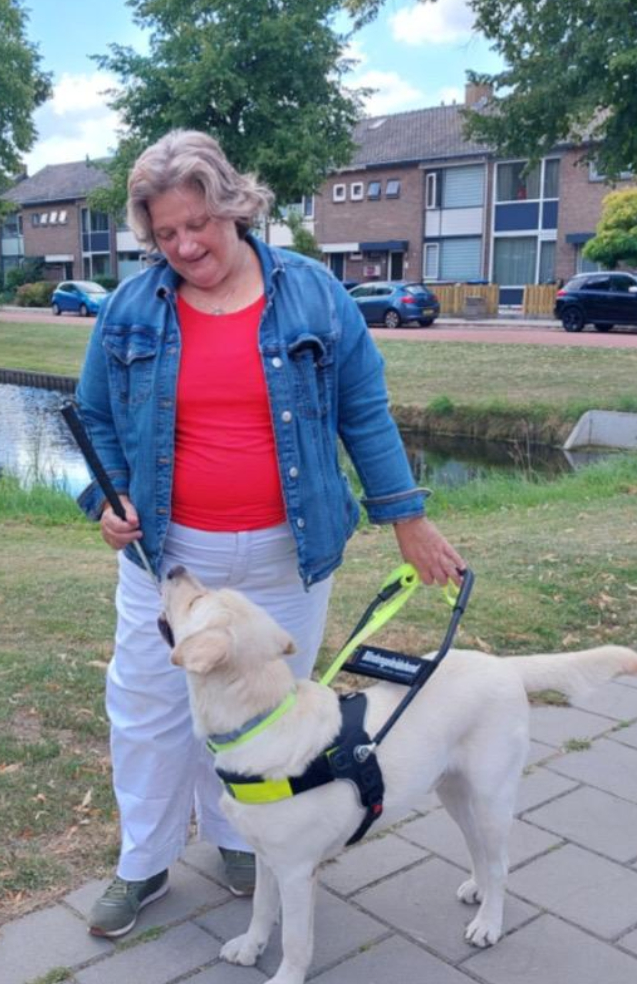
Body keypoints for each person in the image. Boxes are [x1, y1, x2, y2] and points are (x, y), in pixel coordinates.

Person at [71, 129, 464, 938]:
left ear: (233, 208)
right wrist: (102, 501)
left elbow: (363, 412)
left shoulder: (315, 295)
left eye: (197, 226)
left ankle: (235, 838)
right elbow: (98, 421)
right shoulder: (130, 310)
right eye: (166, 234)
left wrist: (408, 518)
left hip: (292, 552)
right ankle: (143, 863)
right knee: (147, 709)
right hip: (173, 560)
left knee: (261, 713)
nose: (184, 246)